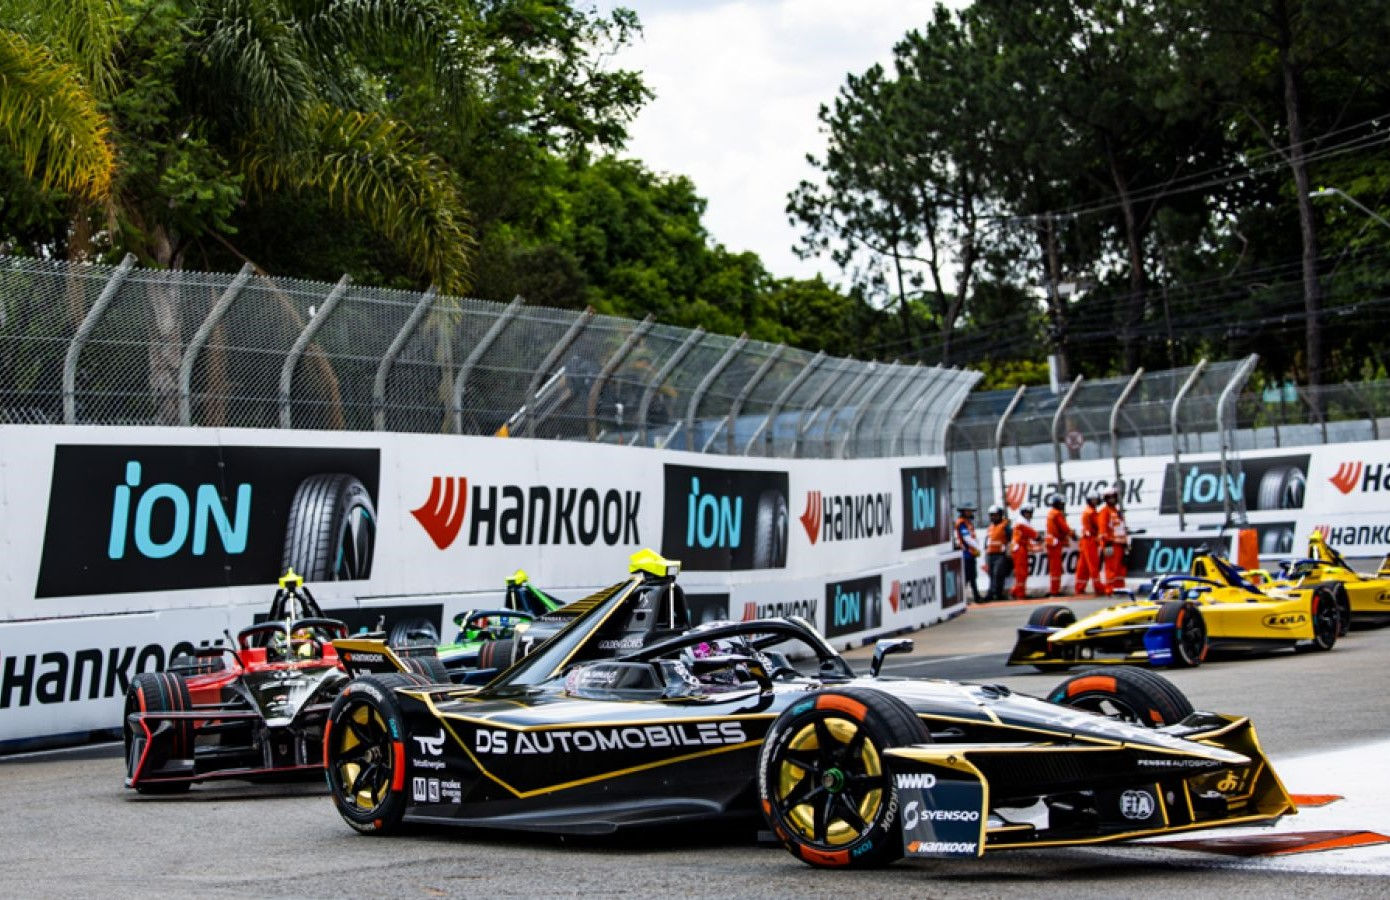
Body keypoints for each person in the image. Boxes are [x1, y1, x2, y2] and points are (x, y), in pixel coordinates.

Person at [1098, 484, 1129, 595]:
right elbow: (1102, 530)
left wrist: (1126, 542)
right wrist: (1107, 543)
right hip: (1111, 544)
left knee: (1121, 568)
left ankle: (1120, 588)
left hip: (1121, 544)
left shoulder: (1117, 511)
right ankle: (1110, 589)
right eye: (1109, 497)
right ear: (1105, 499)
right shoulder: (1104, 512)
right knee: (1111, 568)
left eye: (1113, 497)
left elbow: (1122, 527)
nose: (1112, 499)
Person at [1044, 493, 1075, 596]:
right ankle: (1054, 590)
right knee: (1056, 568)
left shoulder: (1050, 513)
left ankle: (1054, 589)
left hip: (1051, 542)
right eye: (1061, 504)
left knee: (1054, 568)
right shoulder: (1057, 514)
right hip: (1055, 543)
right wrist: (1072, 534)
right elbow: (1064, 527)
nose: (1063, 505)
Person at [1075, 489, 1103, 595]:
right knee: (1093, 565)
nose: (1095, 502)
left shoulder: (1087, 511)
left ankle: (1079, 587)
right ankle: (1098, 587)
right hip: (1090, 540)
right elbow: (1098, 525)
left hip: (1085, 540)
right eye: (1093, 500)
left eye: (1096, 500)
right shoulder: (1092, 512)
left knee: (1083, 566)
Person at [954, 503, 983, 603]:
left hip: (971, 554)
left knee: (972, 576)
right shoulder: (961, 523)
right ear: (963, 512)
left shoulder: (968, 522)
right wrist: (978, 547)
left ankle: (976, 596)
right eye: (968, 510)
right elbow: (967, 538)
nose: (971, 512)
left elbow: (972, 537)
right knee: (967, 577)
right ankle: (962, 599)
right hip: (966, 554)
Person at [984, 503, 1013, 603]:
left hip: (1000, 555)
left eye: (995, 515)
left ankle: (998, 594)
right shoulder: (990, 527)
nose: (993, 517)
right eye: (991, 515)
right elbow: (987, 540)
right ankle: (991, 593)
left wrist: (1009, 553)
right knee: (991, 575)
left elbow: (1010, 540)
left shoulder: (1005, 526)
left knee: (998, 574)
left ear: (1000, 515)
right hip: (990, 554)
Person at [1010, 504, 1041, 599]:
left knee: (1023, 572)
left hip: (1021, 548)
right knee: (1021, 572)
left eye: (1030, 513)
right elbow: (1033, 534)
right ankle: (1020, 594)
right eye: (1027, 513)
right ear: (1023, 513)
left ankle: (1015, 591)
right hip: (1019, 549)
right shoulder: (1021, 523)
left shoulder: (1022, 522)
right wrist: (1038, 538)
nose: (1029, 515)